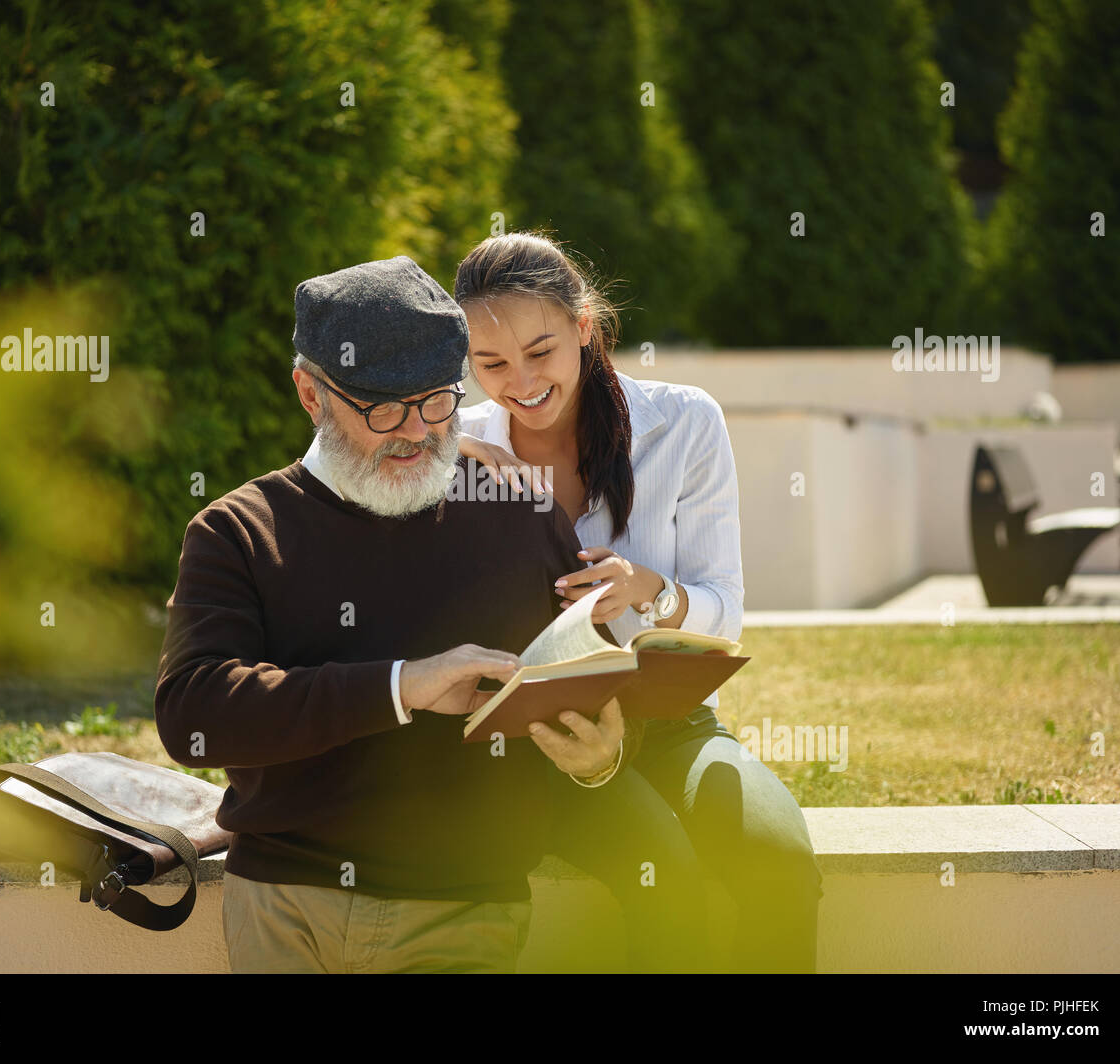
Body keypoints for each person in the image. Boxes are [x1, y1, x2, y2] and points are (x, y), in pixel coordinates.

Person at [153, 255, 680, 973]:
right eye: (383, 409)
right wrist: (404, 685)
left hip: (460, 907)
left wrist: (601, 761)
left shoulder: (518, 507)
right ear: (311, 392)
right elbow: (195, 716)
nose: (419, 431)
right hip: (284, 902)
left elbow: (583, 674)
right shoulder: (239, 531)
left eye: (438, 401)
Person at [452, 231, 824, 973]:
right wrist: (445, 459)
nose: (519, 381)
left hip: (673, 723)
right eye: (490, 363)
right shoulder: (456, 442)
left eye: (541, 350)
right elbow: (318, 475)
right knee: (664, 878)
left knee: (778, 856)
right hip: (540, 741)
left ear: (584, 328)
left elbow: (725, 606)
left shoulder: (684, 423)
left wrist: (654, 592)